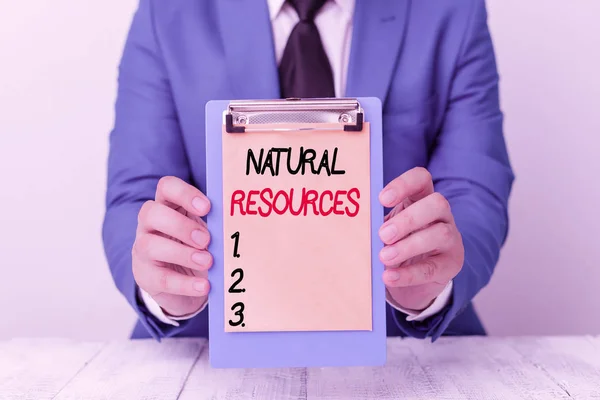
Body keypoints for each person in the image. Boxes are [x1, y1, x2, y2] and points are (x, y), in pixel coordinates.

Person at [103, 0, 514, 340]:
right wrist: (166, 287)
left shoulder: (452, 11)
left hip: (405, 339)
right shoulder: (166, 12)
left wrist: (429, 282)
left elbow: (476, 186)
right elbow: (135, 193)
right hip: (207, 335)